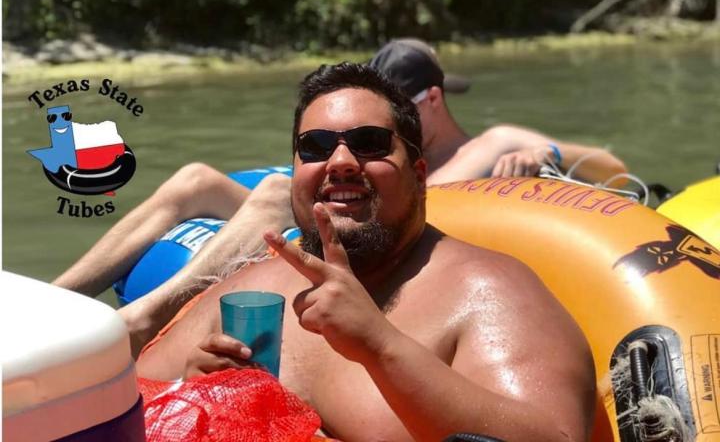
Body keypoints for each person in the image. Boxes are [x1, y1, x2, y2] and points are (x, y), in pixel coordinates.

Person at [54, 38, 627, 357]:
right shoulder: (349, 156)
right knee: (196, 177)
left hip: (387, 227)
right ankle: (48, 298)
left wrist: (538, 161)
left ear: (430, 100)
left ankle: (145, 317)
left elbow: (612, 167)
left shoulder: (496, 143)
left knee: (276, 190)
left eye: (379, 128)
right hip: (336, 211)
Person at [136, 62, 596, 441]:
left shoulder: (489, 293)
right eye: (315, 147)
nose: (340, 162)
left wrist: (380, 345)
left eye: (369, 143)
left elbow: (554, 437)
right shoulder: (254, 288)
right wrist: (189, 390)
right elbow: (124, 404)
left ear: (418, 174)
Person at [369, 38, 628, 185]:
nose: (389, 124)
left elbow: (617, 174)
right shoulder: (388, 166)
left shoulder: (499, 143)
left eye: (398, 111)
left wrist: (552, 154)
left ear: (434, 98)